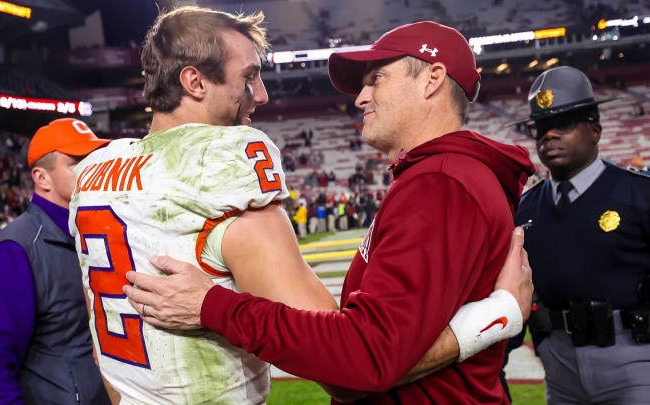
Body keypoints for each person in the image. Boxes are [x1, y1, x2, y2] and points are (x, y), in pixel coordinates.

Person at [122, 21, 535, 404]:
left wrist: (212, 306)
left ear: (432, 79)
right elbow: (387, 348)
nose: (361, 96)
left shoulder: (441, 183)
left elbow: (362, 360)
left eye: (377, 79)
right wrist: (495, 317)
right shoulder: (441, 176)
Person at [512, 66, 650, 404]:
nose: (549, 136)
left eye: (564, 124)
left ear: (595, 131)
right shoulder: (525, 208)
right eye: (541, 128)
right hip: (557, 364)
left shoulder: (640, 195)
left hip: (633, 355)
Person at [0, 119, 113, 405]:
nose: (91, 169)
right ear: (42, 178)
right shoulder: (13, 251)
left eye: (93, 159)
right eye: (77, 162)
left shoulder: (98, 232)